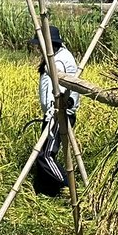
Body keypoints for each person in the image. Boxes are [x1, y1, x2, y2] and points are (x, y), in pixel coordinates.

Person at [31, 25, 80, 196]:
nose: (37, 47)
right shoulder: (55, 57)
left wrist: (54, 111)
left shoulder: (59, 61)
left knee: (45, 156)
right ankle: (47, 192)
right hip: (53, 114)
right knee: (43, 156)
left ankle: (69, 189)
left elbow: (61, 88)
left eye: (40, 44)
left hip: (58, 115)